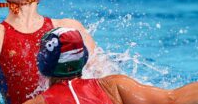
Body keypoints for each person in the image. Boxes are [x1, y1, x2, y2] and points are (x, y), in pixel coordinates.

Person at [23, 27, 198, 104]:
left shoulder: (37, 102)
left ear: (43, 63)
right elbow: (173, 99)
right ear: (83, 59)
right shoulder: (114, 86)